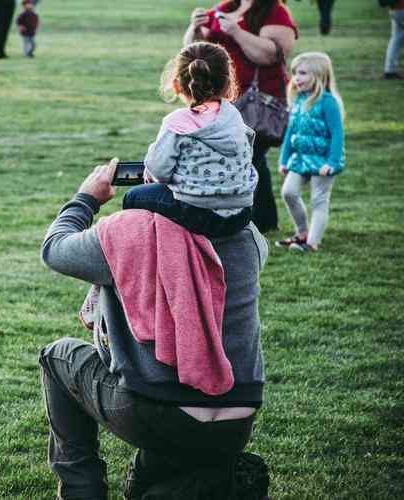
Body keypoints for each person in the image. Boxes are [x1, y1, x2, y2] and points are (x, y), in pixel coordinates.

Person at [39, 159, 269, 499]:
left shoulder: (131, 231)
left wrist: (86, 197)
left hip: (159, 413)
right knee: (153, 474)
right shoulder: (248, 235)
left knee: (57, 358)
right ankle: (210, 482)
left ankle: (81, 491)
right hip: (238, 419)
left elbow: (54, 248)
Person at [122, 41, 257, 239]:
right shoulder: (233, 116)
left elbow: (160, 171)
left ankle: (151, 251)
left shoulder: (178, 122)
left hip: (198, 213)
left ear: (177, 85)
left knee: (134, 196)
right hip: (241, 213)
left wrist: (152, 166)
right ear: (228, 84)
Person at [184, 0, 298, 234]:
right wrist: (194, 29)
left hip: (259, 100)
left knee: (249, 155)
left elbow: (271, 55)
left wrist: (236, 31)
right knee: (253, 157)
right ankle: (264, 221)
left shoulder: (275, 11)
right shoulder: (224, 8)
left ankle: (244, 220)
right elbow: (195, 53)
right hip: (226, 99)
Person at [276, 52, 345, 252]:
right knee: (288, 192)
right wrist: (284, 159)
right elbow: (291, 132)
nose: (296, 78)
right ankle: (302, 232)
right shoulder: (298, 100)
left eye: (303, 73)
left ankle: (312, 243)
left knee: (319, 199)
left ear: (319, 75)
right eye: (295, 73)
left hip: (323, 161)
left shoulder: (328, 102)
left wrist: (332, 162)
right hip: (300, 159)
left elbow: (337, 135)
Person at [384, 0, 404, 79]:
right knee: (396, 39)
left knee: (396, 39)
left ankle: (390, 70)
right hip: (402, 8)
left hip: (394, 10)